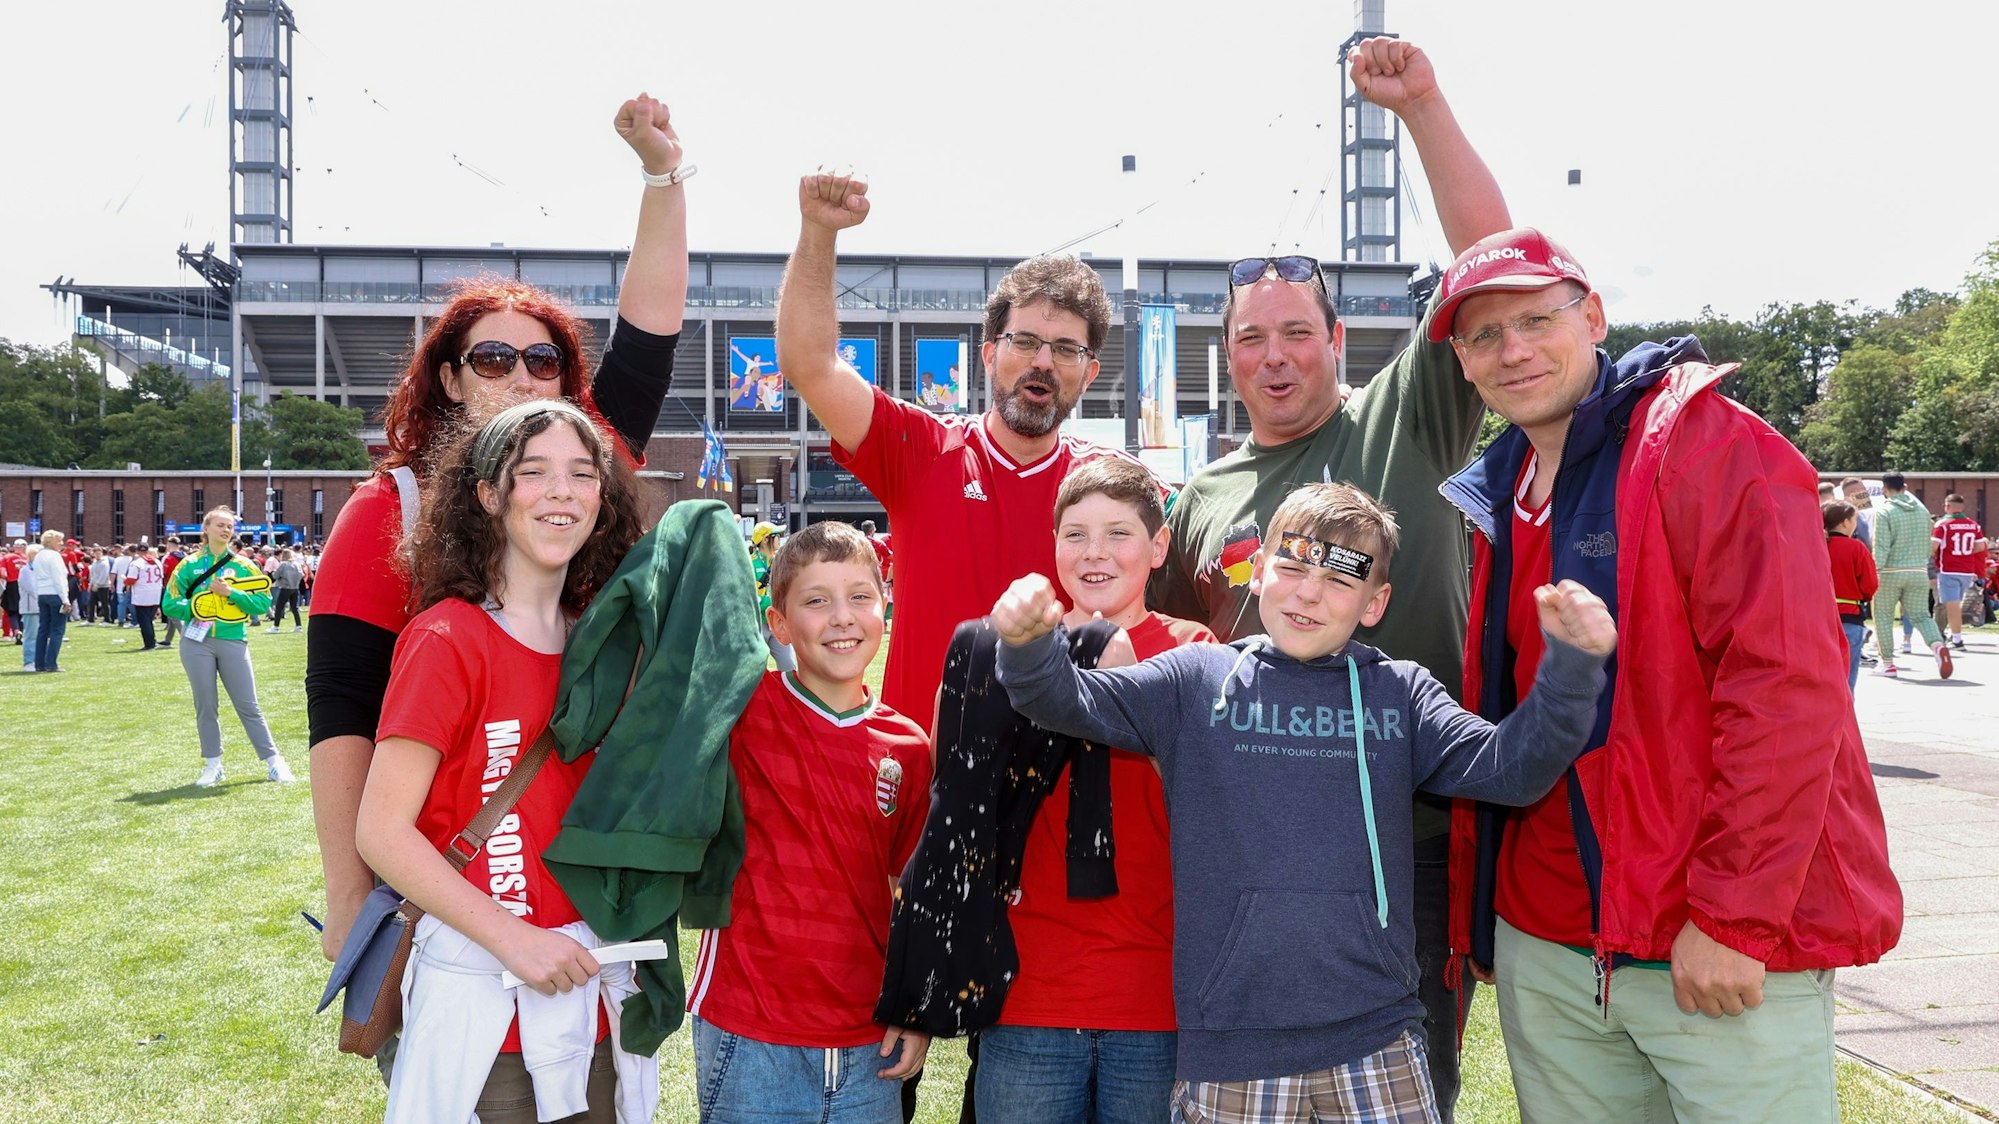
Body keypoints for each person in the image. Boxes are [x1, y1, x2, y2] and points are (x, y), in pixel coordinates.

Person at [1432, 227, 1903, 1122]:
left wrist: (1732, 918)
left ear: (1594, 316)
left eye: (1536, 318)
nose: (1514, 349)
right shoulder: (1499, 485)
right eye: (1484, 336)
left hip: (1702, 945)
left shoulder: (1710, 446)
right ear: (1460, 362)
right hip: (1549, 940)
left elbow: (1786, 694)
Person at [992, 482, 1616, 1122]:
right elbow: (1067, 701)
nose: (1309, 592)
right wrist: (1028, 645)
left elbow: (1510, 770)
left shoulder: (1400, 696)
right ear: (1258, 571)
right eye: (1291, 566)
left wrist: (1571, 669)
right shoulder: (1194, 680)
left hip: (1378, 1037)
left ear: (1376, 603)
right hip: (1233, 1049)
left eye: (1341, 580)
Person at [1144, 39, 1509, 1116]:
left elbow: (1493, 256)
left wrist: (1425, 109)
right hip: (1249, 861)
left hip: (1410, 845)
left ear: (1337, 339)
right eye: (1250, 337)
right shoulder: (1198, 500)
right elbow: (1174, 674)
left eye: (1296, 332)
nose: (1273, 356)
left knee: (1403, 1093)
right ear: (1225, 353)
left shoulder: (1409, 414)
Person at [307, 93, 691, 964]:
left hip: (583, 849)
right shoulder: (388, 509)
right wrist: (348, 890)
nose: (520, 375)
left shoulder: (576, 466)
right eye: (491, 357)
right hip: (454, 859)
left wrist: (662, 176)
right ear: (449, 379)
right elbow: (340, 708)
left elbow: (650, 333)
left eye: (543, 359)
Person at [355, 399, 655, 1123]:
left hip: (599, 1006)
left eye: (582, 474)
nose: (561, 491)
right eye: (534, 473)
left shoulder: (607, 647)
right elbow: (382, 832)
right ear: (488, 494)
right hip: (489, 1020)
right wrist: (515, 938)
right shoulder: (447, 638)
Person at [971, 456, 1214, 1124]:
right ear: (1052, 547)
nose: (1094, 552)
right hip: (1029, 992)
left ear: (1157, 545)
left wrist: (1133, 687)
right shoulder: (1007, 651)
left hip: (1154, 997)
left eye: (1118, 533)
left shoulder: (1193, 649)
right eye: (1074, 533)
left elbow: (1212, 804)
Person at [687, 521, 932, 1122]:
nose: (842, 617)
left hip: (867, 1038)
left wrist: (916, 1007)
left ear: (885, 605)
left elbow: (908, 893)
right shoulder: (743, 709)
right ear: (779, 624)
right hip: (750, 1030)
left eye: (860, 596)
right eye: (816, 601)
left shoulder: (908, 746)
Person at [162, 508, 292, 786]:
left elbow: (262, 603)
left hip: (233, 639)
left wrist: (231, 593)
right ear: (206, 528)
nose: (225, 530)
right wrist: (197, 608)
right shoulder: (188, 565)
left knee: (248, 705)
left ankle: (274, 762)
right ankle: (213, 765)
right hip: (196, 642)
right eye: (220, 525)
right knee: (206, 705)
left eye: (230, 526)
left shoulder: (245, 566)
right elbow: (169, 603)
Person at [1872, 472, 1953, 679]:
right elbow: (1928, 544)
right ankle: (1937, 646)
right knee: (1921, 616)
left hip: (1890, 572)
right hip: (1918, 571)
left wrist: (1874, 571)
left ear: (1884, 489)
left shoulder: (1884, 511)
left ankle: (1887, 663)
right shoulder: (1922, 510)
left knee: (1883, 616)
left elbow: (1880, 546)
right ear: (1905, 487)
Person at [1825, 500, 1878, 691]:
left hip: (1818, 620)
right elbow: (1870, 585)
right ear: (1846, 522)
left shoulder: (1817, 546)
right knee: (1847, 678)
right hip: (1849, 616)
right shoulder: (1856, 548)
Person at [1932, 493, 1988, 649]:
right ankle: (1954, 635)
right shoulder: (1973, 524)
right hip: (1967, 570)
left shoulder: (1942, 524)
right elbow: (1980, 546)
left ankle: (1957, 639)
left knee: (1952, 606)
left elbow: (1933, 547)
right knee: (1956, 604)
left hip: (1948, 569)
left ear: (1948, 506)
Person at [748, 521, 797, 671]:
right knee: (756, 670)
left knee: (789, 665)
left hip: (778, 622)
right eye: (776, 536)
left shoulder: (781, 561)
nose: (779, 540)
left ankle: (788, 694)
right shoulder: (749, 563)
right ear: (765, 540)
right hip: (758, 625)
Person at [30, 531, 70, 672]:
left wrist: (37, 595)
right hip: (55, 594)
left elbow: (34, 578)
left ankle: (39, 663)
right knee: (57, 630)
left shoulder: (39, 556)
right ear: (50, 541)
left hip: (42, 594)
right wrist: (65, 599)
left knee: (43, 630)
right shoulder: (54, 556)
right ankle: (51, 663)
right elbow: (58, 578)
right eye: (59, 540)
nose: (61, 543)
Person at [129, 544, 166, 652]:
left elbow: (131, 579)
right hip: (155, 593)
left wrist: (125, 580)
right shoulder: (157, 562)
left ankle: (150, 643)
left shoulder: (136, 563)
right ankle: (152, 641)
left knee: (144, 621)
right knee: (149, 620)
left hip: (142, 594)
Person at [268, 548, 304, 632]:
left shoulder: (283, 564)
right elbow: (301, 575)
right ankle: (298, 626)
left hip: (285, 587)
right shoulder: (297, 564)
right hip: (295, 587)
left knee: (279, 607)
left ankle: (276, 627)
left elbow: (275, 576)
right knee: (295, 608)